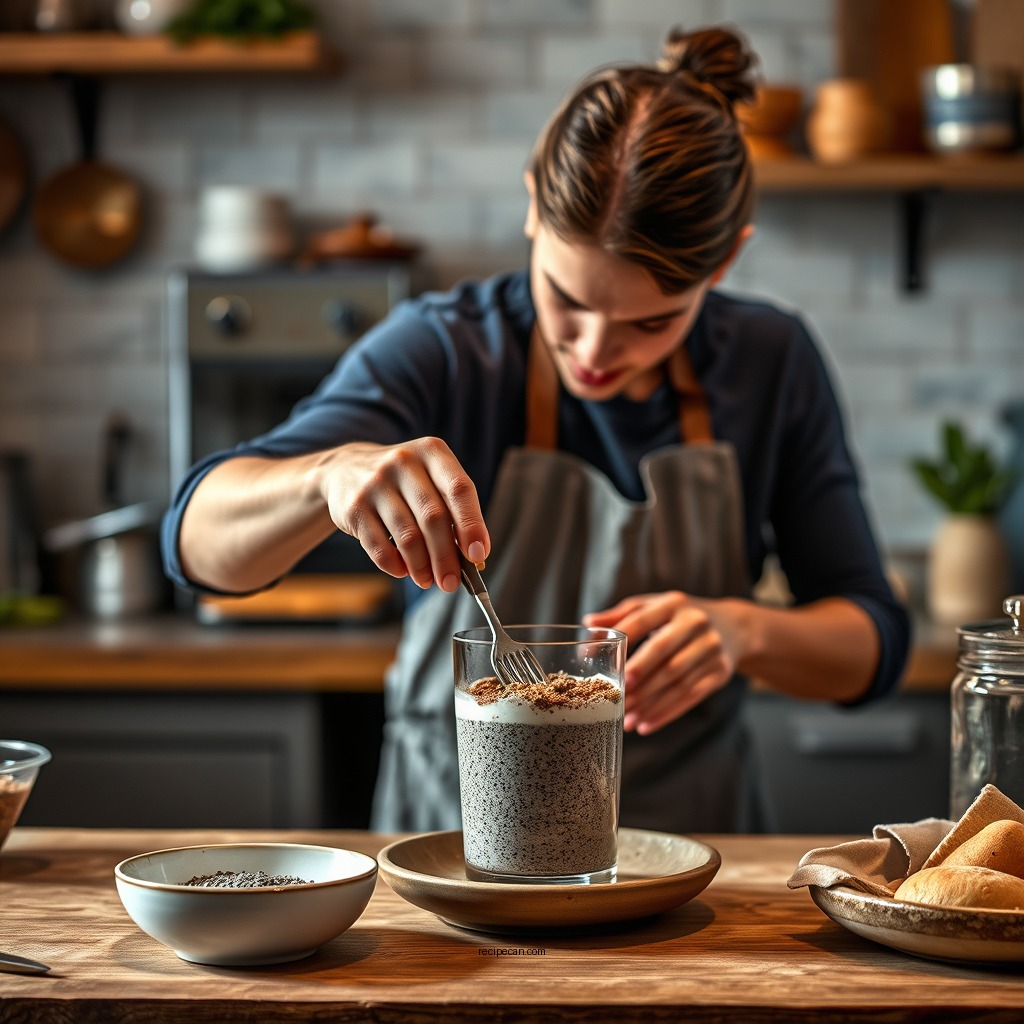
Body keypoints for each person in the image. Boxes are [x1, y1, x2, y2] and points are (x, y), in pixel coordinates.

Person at [163, 25, 910, 833]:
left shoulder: (770, 361)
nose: (594, 352)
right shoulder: (445, 349)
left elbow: (872, 643)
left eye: (651, 322)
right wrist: (327, 475)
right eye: (568, 299)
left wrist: (742, 632)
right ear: (531, 205)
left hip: (691, 865)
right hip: (454, 852)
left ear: (726, 261)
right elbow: (199, 547)